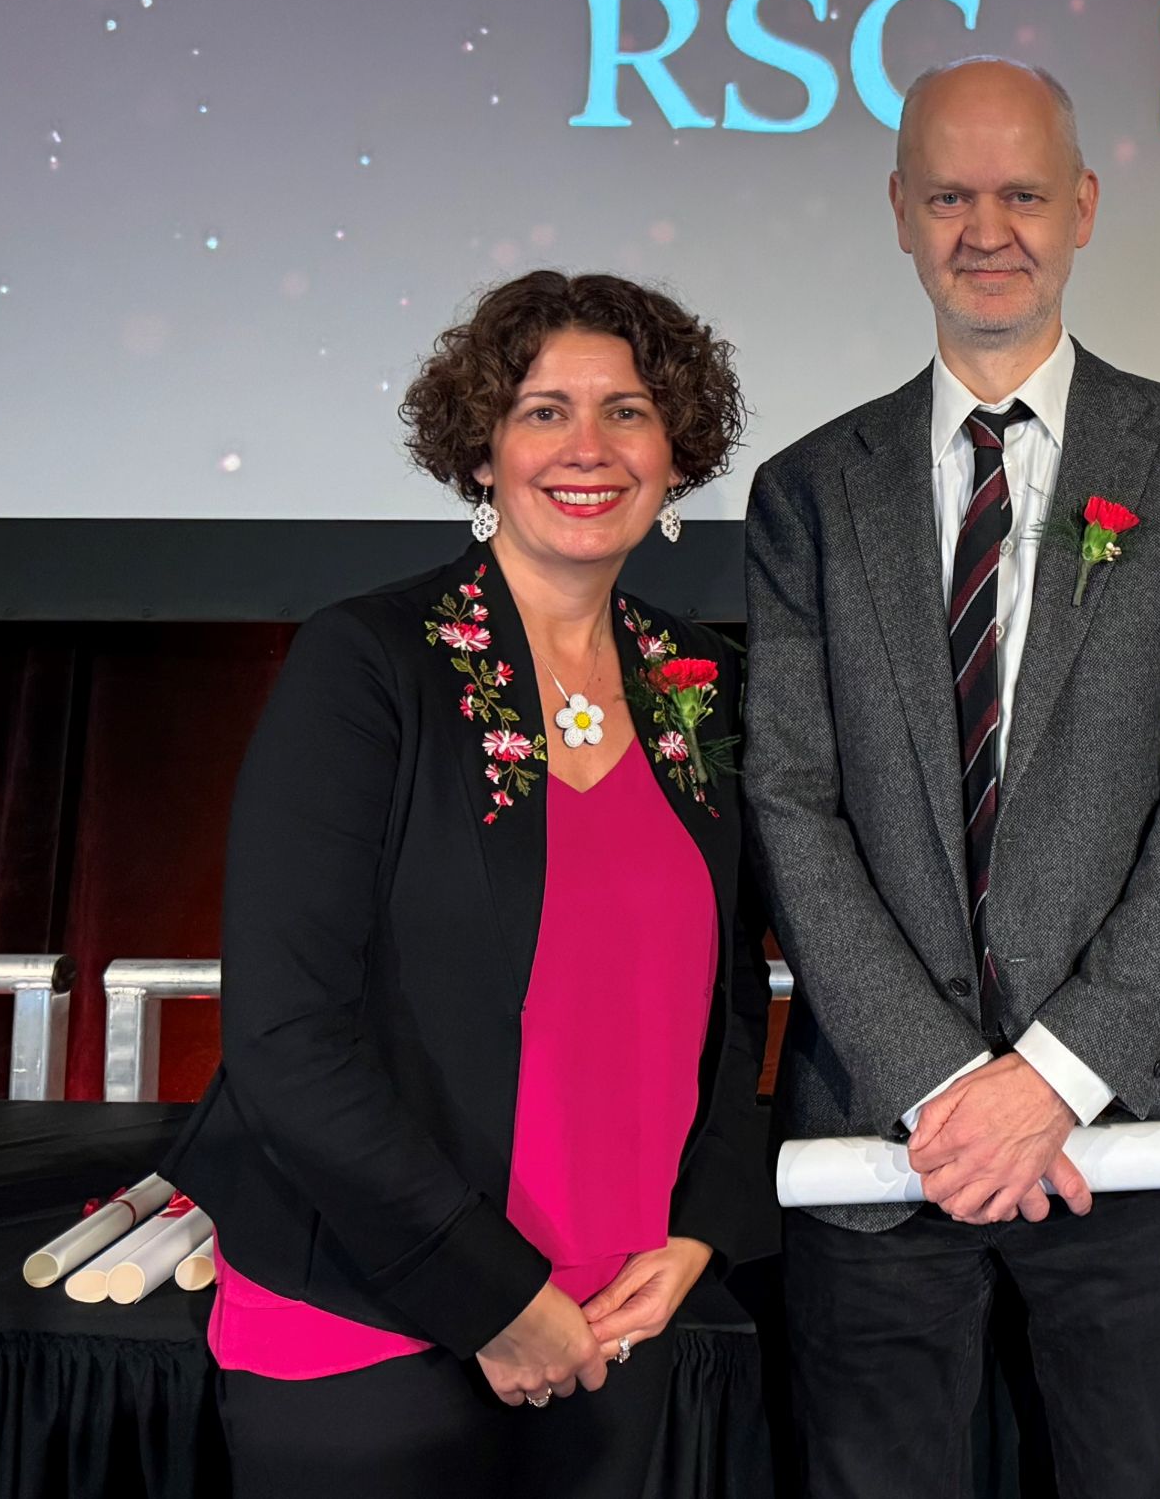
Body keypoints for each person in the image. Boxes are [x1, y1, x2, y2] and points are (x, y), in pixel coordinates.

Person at [743, 58, 1160, 1499]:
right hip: (883, 1127)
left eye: (1024, 192)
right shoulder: (811, 486)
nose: (989, 228)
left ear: (1086, 207)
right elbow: (790, 796)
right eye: (951, 195)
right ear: (902, 215)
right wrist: (941, 1080)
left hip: (1135, 1120)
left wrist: (1050, 1075)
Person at [170, 271, 776, 1497]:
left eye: (630, 411)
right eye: (544, 410)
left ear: (677, 449)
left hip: (618, 1313)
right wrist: (493, 1298)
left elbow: (731, 998)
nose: (589, 448)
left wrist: (701, 1225)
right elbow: (286, 1037)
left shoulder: (702, 678)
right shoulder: (368, 664)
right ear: (482, 448)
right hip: (374, 1316)